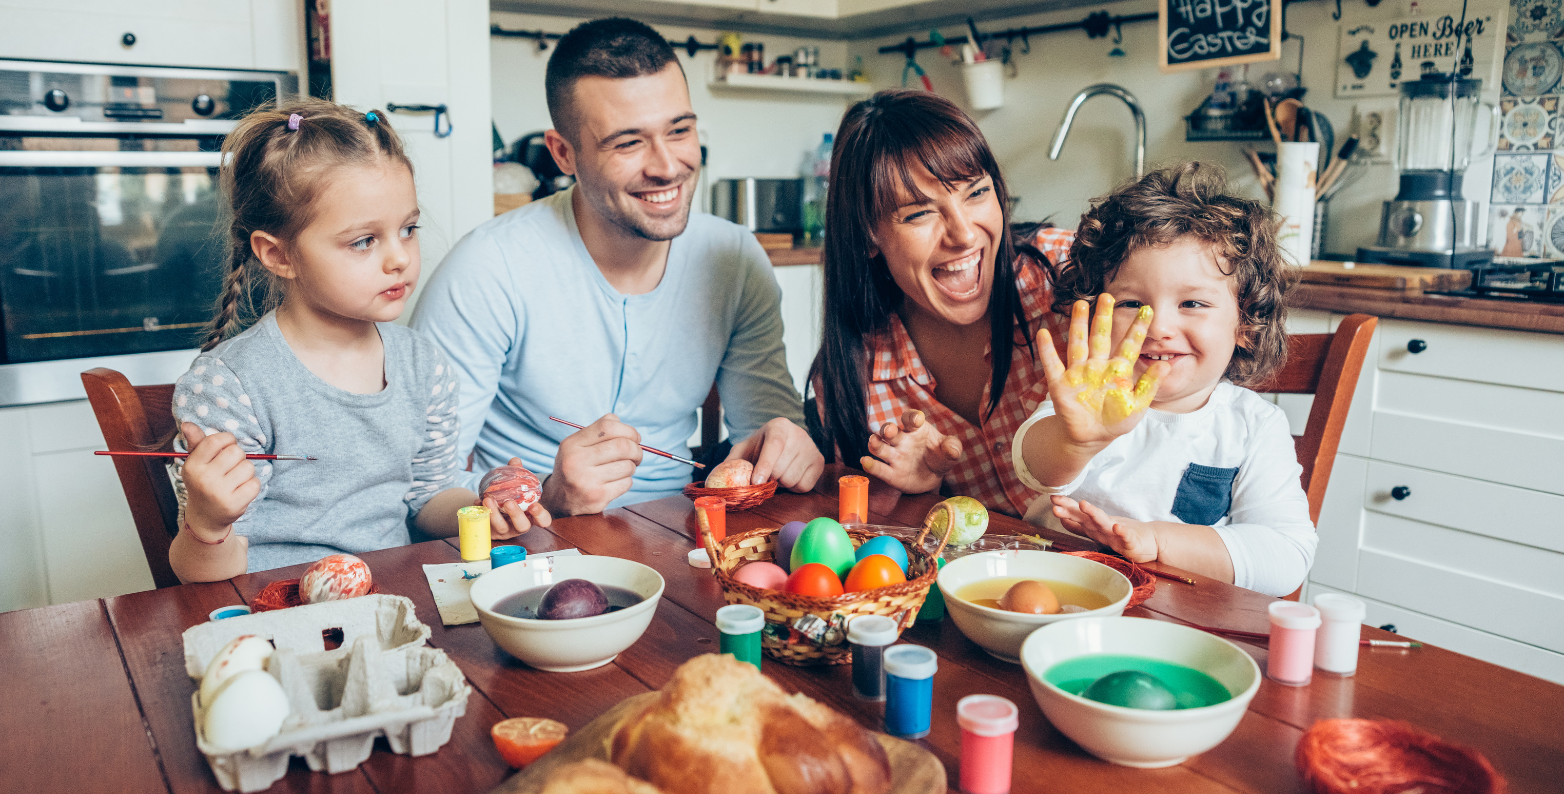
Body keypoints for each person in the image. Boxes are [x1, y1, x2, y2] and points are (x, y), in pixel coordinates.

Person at [413, 18, 822, 516]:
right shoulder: (486, 267)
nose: (667, 166)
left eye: (680, 130)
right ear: (564, 153)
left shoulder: (735, 259)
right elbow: (423, 490)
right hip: (534, 549)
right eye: (628, 143)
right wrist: (548, 494)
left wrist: (788, 445)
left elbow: (765, 430)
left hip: (684, 531)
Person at [169, 99, 547, 582]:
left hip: (394, 600)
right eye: (363, 241)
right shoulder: (229, 387)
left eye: (408, 230)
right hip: (281, 610)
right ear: (278, 255)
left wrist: (480, 509)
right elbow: (198, 579)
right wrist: (207, 525)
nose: (399, 259)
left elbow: (427, 499)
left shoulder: (420, 364)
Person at [1013, 163, 1314, 597]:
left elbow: (1286, 555)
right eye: (1131, 302)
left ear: (1246, 321)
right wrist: (1074, 441)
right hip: (1058, 591)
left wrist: (1156, 540)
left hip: (1183, 618)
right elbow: (1034, 470)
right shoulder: (1089, 397)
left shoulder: (1252, 427)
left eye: (1192, 302)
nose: (1158, 326)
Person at [807, 89, 1073, 517]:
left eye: (976, 193)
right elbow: (872, 539)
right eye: (918, 214)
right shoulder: (852, 379)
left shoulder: (1071, 278)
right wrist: (916, 494)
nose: (964, 234)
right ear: (868, 234)